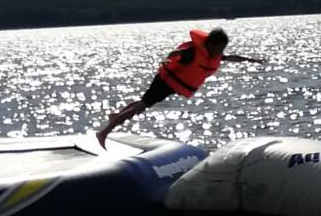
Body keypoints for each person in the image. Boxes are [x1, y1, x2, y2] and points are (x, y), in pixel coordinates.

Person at [96, 25, 262, 146]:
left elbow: (231, 57)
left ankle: (115, 116)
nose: (221, 51)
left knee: (144, 102)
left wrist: (250, 60)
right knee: (141, 106)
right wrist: (167, 59)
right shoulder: (193, 52)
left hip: (172, 84)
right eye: (220, 47)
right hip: (165, 81)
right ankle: (104, 132)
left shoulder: (212, 55)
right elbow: (176, 53)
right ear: (211, 44)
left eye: (223, 48)